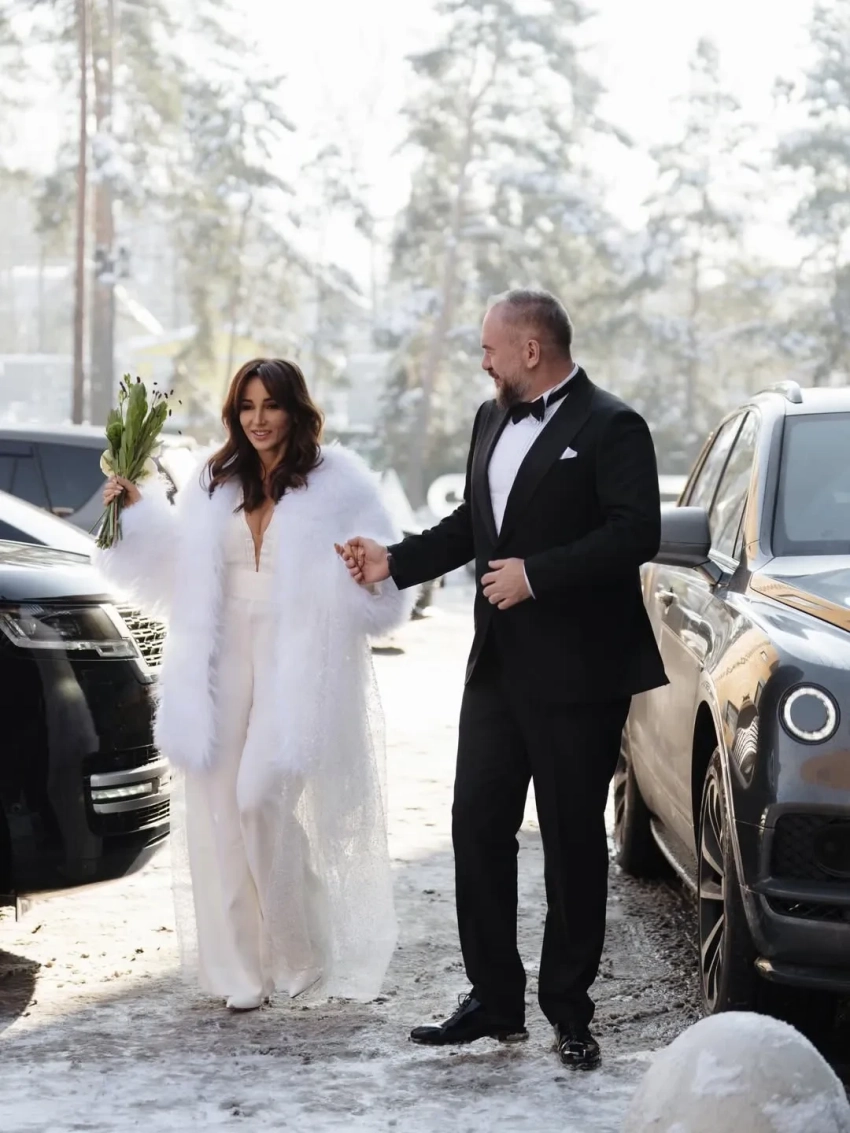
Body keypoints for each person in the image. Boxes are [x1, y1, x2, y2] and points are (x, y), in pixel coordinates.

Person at [339, 289, 667, 1069]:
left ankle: (570, 1010)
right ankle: (493, 999)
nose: (481, 360)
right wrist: (394, 561)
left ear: (530, 349)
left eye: (489, 347)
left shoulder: (614, 425)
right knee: (476, 825)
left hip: (580, 674)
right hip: (496, 666)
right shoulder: (490, 419)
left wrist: (537, 575)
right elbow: (474, 526)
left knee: (571, 841)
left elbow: (636, 532)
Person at [98, 359, 413, 1010]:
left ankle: (300, 950)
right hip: (221, 652)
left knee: (258, 797)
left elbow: (383, 579)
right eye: (247, 406)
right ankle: (240, 971)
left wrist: (364, 575)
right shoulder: (213, 480)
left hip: (295, 656)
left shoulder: (340, 482)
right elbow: (180, 569)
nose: (258, 418)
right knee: (220, 814)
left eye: (271, 404)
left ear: (296, 410)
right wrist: (135, 517)